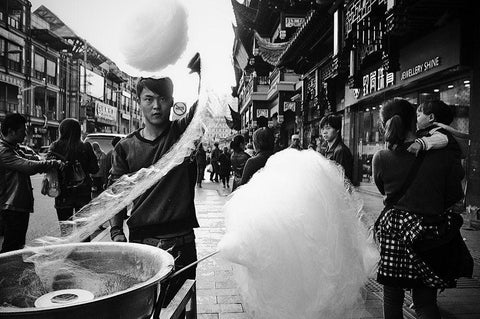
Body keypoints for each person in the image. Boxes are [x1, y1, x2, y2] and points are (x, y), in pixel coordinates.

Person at [372, 98, 467, 319]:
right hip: (430, 236)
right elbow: (454, 194)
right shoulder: (444, 154)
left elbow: (383, 190)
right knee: (425, 303)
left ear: (386, 124)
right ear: (415, 122)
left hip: (395, 236)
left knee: (392, 299)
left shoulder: (381, 157)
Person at [108, 76, 199, 307]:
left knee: (177, 308)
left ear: (172, 102)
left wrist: (202, 72)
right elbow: (116, 195)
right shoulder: (125, 147)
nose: (156, 106)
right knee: (145, 309)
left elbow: (204, 106)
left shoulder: (182, 134)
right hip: (142, 243)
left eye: (162, 99)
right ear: (138, 102)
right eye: (148, 99)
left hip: (181, 242)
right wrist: (117, 230)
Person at [0, 113, 62, 252]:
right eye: (23, 131)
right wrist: (53, 163)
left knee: (17, 243)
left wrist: (46, 161)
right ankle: (8, 272)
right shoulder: (3, 151)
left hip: (18, 204)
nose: (26, 134)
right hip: (10, 205)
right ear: (11, 131)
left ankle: (13, 270)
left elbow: (34, 158)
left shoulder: (16, 148)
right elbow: (28, 166)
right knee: (12, 245)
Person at [48, 119, 98, 237]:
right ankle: (84, 254)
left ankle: (68, 254)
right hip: (83, 193)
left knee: (66, 232)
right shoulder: (86, 146)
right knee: (84, 231)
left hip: (63, 193)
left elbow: (48, 166)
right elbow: (94, 169)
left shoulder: (55, 146)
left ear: (62, 131)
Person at [319, 115, 353, 181]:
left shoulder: (341, 151)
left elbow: (343, 179)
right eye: (322, 129)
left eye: (328, 128)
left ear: (337, 129)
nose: (324, 132)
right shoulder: (327, 149)